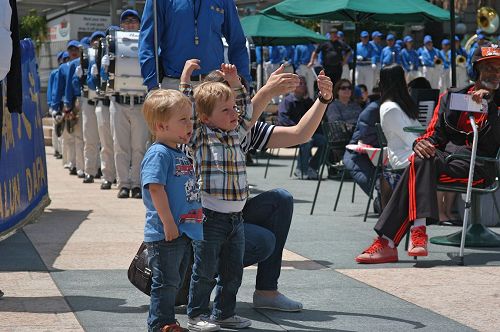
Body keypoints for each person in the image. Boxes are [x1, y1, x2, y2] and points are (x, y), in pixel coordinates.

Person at [355, 44, 500, 264]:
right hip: (444, 161)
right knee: (421, 156)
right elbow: (433, 136)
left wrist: (490, 106)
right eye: (489, 67)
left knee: (418, 164)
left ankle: (392, 240)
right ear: (475, 70)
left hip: (478, 166)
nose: (496, 74)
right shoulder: (451, 98)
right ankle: (413, 233)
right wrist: (420, 144)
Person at [141, 89, 203, 332]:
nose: (190, 124)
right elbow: (155, 189)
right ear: (161, 126)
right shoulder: (159, 153)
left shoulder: (179, 151)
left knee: (174, 281)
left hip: (182, 230)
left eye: (190, 118)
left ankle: (168, 322)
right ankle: (159, 325)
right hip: (167, 232)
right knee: (165, 282)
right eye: (183, 120)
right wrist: (168, 223)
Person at [139, 0, 251, 92]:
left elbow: (238, 43)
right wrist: (152, 86)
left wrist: (242, 83)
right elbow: (148, 42)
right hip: (174, 86)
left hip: (214, 86)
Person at [104, 10, 149, 198]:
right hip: (120, 101)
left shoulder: (147, 41)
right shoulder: (114, 42)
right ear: (122, 25)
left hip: (140, 102)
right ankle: (123, 184)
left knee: (139, 146)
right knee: (120, 146)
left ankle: (137, 184)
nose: (130, 24)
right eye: (126, 21)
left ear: (139, 24)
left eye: (134, 21)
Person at [377, 65, 421, 207]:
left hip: (412, 151)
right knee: (437, 161)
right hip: (403, 156)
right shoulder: (390, 108)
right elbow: (409, 139)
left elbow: (419, 130)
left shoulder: (402, 105)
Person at [277, 76, 326, 180]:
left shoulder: (307, 102)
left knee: (324, 141)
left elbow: (314, 117)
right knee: (307, 140)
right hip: (289, 133)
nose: (303, 86)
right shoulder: (287, 101)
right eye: (300, 84)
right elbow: (283, 120)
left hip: (307, 133)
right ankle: (301, 169)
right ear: (293, 86)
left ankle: (312, 167)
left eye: (304, 84)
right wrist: (298, 130)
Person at [51, 40, 84, 177]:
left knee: (82, 136)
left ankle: (81, 165)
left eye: (76, 49)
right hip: (69, 103)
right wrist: (56, 107)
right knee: (70, 135)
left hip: (84, 100)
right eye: (71, 50)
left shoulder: (84, 63)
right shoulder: (64, 68)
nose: (74, 52)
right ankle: (73, 163)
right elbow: (59, 88)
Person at [48, 51, 68, 160]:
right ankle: (57, 149)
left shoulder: (69, 70)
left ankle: (62, 150)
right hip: (57, 103)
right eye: (62, 59)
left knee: (65, 129)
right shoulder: (55, 73)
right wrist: (51, 104)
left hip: (65, 102)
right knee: (56, 128)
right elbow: (51, 89)